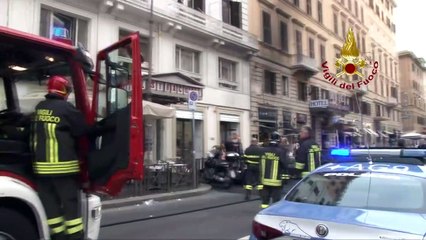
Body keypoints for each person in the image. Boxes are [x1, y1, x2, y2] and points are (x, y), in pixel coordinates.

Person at [31, 76, 91, 240]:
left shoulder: (39, 107)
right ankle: (74, 236)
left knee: (50, 204)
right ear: (64, 90)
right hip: (63, 168)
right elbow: (82, 131)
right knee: (70, 204)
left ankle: (57, 235)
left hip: (41, 169)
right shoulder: (66, 109)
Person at [259, 131, 289, 209]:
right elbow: (285, 165)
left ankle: (263, 213)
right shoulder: (281, 151)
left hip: (264, 181)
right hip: (276, 182)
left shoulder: (263, 150)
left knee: (265, 202)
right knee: (276, 202)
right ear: (278, 141)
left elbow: (259, 164)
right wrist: (285, 179)